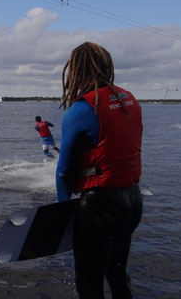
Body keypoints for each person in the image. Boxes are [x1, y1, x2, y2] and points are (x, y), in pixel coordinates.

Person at [56, 42, 143, 299]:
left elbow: (63, 172)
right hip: (132, 200)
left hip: (100, 206)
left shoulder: (83, 108)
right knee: (117, 275)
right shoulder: (129, 99)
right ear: (106, 65)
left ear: (76, 70)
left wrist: (63, 215)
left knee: (89, 285)